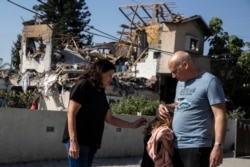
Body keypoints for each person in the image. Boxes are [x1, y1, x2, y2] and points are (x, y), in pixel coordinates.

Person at [62, 59, 147, 167]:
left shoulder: (100, 91)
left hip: (92, 143)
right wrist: (73, 142)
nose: (111, 80)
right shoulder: (83, 85)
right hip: (79, 141)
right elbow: (71, 113)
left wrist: (131, 125)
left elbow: (109, 118)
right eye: (110, 75)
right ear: (100, 72)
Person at [157, 51, 227, 167]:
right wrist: (164, 106)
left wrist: (218, 146)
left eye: (175, 71)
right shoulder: (180, 84)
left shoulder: (210, 81)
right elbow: (181, 104)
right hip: (176, 145)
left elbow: (220, 115)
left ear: (185, 65)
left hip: (197, 146)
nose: (173, 76)